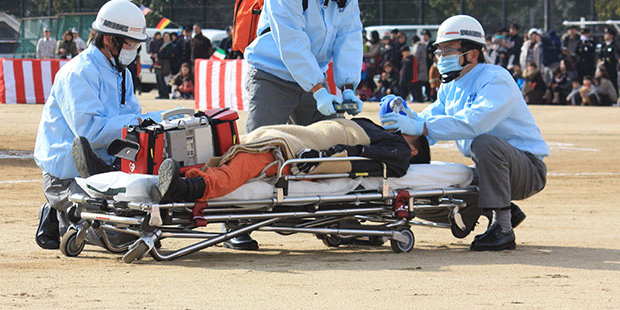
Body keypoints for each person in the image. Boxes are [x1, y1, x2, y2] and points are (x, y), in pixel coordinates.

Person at [380, 14, 548, 251]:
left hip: (526, 169)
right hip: (492, 169)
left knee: (485, 142)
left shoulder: (496, 79)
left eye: (449, 50)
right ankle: (503, 210)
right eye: (440, 52)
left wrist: (420, 126)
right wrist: (405, 117)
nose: (442, 57)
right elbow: (430, 119)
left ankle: (503, 228)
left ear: (473, 54)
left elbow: (474, 124)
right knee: (443, 185)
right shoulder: (450, 86)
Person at [33, 0, 150, 250]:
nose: (134, 50)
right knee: (122, 236)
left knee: (145, 217)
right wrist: (137, 122)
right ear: (110, 40)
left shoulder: (122, 73)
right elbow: (90, 133)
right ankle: (57, 210)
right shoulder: (78, 72)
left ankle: (71, 212)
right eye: (131, 44)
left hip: (107, 168)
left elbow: (133, 118)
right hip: (67, 174)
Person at [153, 115, 431, 206]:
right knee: (237, 152)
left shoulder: (400, 149)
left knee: (244, 164)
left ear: (415, 149)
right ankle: (181, 181)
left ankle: (186, 190)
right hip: (301, 137)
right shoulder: (386, 134)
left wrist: (321, 158)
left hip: (300, 151)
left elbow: (355, 159)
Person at [244, 0, 366, 132]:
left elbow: (349, 38)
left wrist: (348, 88)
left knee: (331, 145)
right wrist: (319, 90)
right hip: (272, 76)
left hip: (315, 78)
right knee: (259, 147)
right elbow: (293, 45)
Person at [154, 31, 175, 99]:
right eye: (165, 37)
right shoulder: (161, 44)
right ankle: (160, 94)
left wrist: (158, 55)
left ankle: (165, 95)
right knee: (158, 79)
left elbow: (168, 55)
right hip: (159, 64)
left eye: (167, 37)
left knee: (164, 80)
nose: (166, 38)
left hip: (165, 65)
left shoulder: (171, 45)